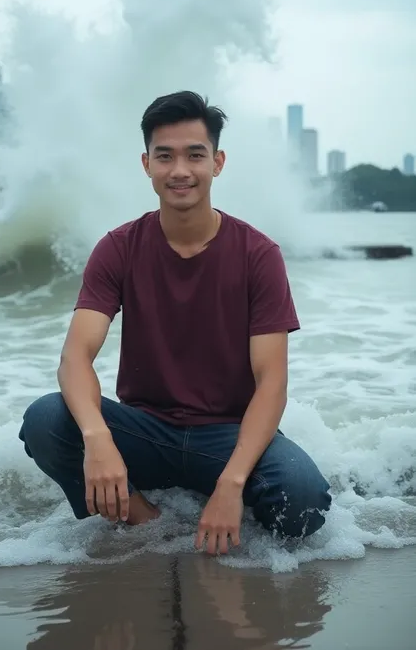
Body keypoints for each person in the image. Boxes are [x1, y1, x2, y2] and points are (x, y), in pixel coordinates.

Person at [19, 91, 332, 555]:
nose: (180, 170)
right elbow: (75, 357)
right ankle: (137, 512)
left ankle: (223, 497)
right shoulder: (119, 247)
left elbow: (272, 382)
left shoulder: (258, 255)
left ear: (218, 162)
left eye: (195, 155)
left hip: (227, 435)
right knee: (46, 419)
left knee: (305, 503)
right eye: (165, 156)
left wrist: (231, 483)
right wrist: (98, 438)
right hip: (145, 431)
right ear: (146, 164)